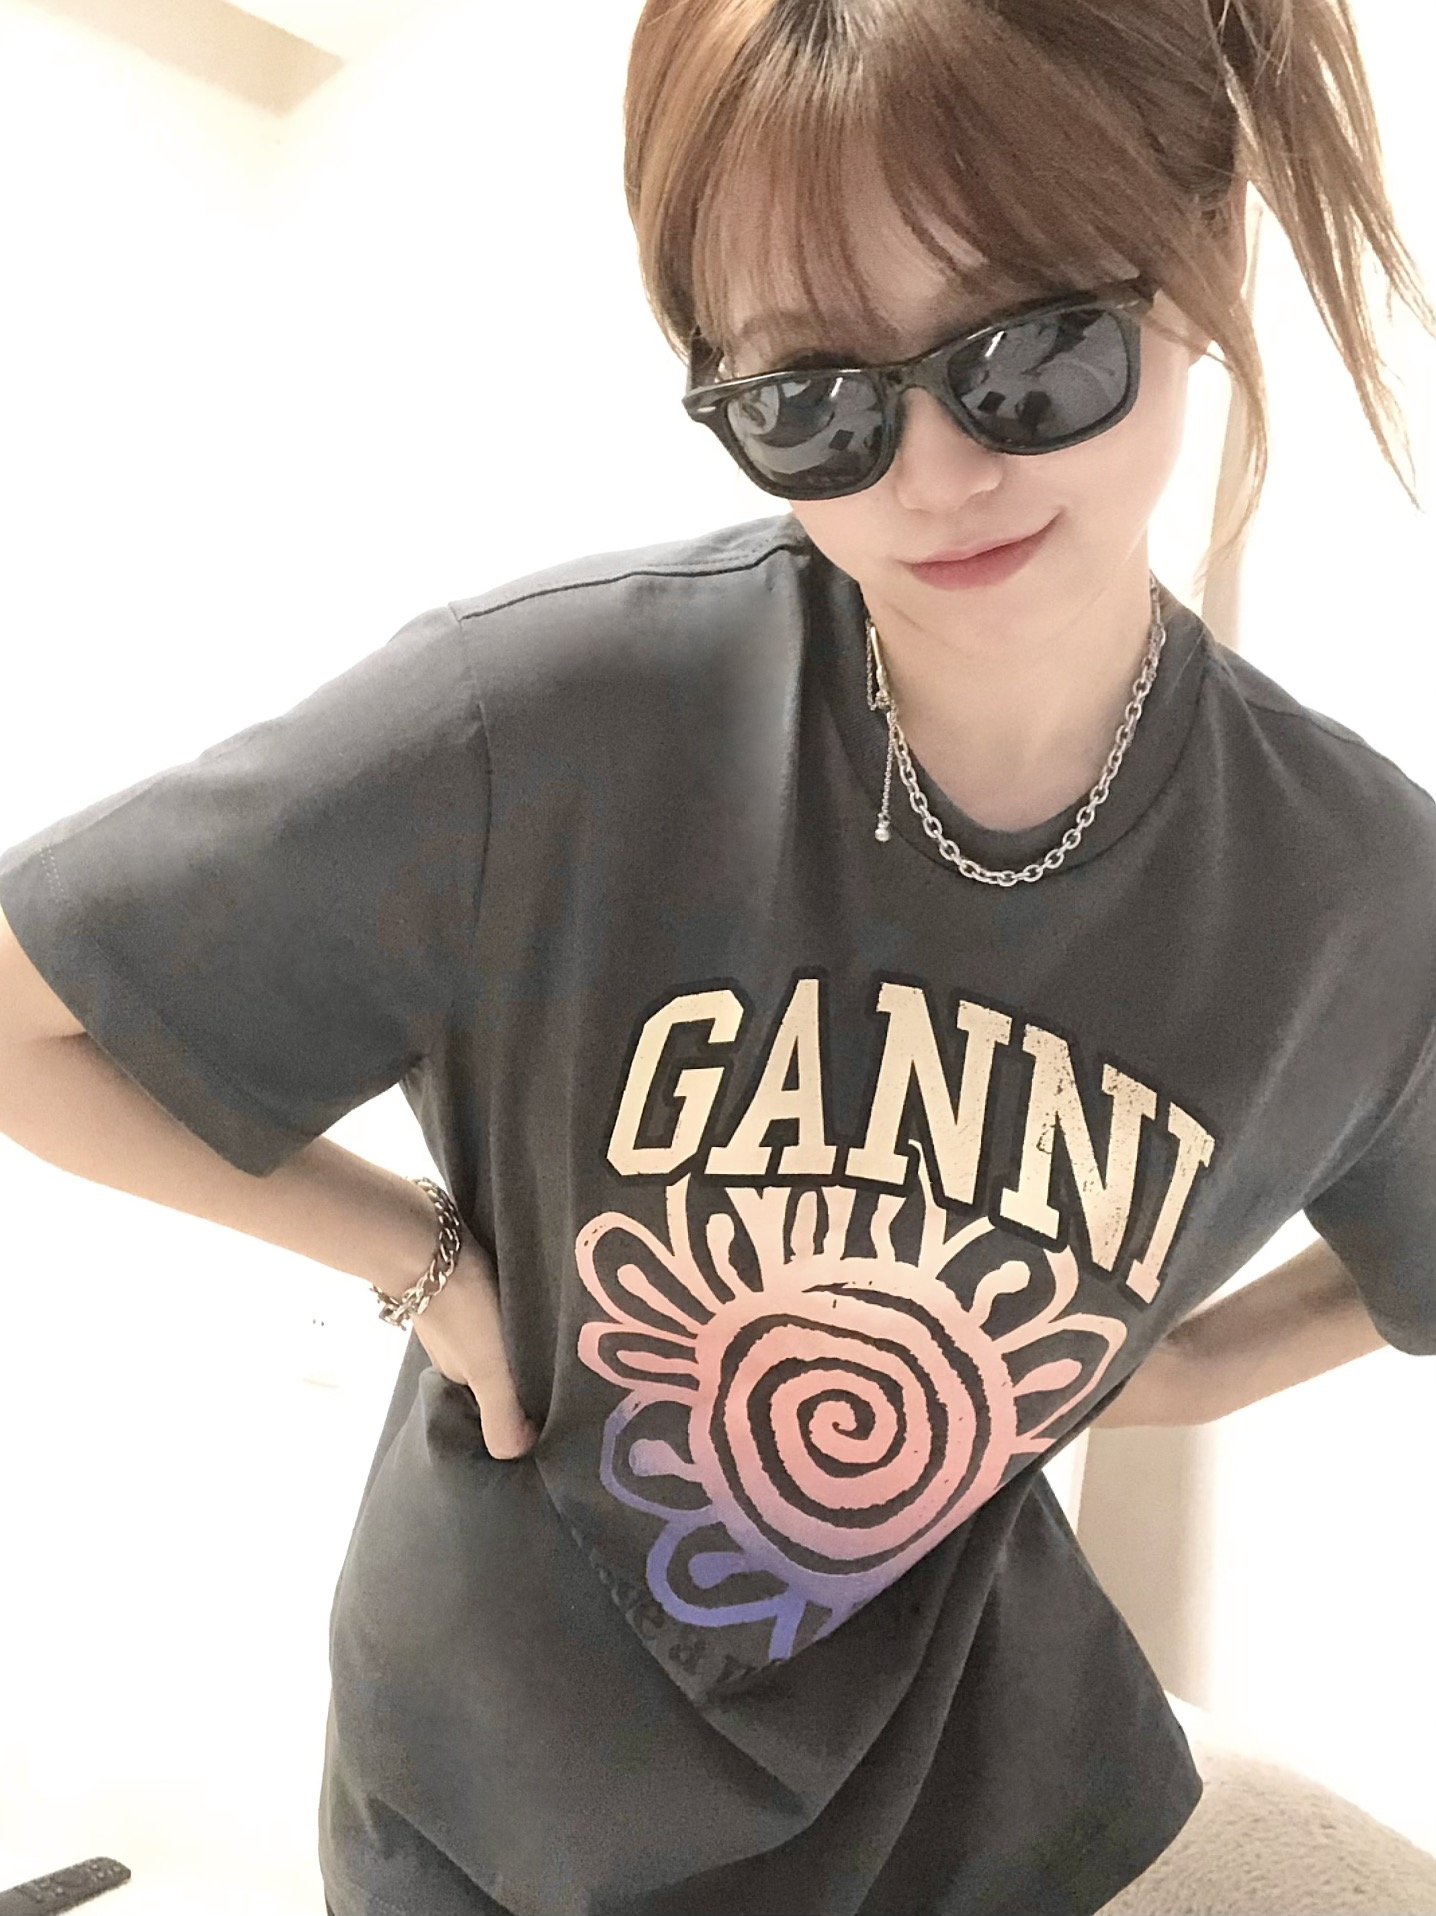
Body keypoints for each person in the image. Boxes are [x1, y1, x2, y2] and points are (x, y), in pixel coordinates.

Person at [1, 1, 1434, 1912]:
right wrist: (417, 1258)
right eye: (814, 404)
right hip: (483, 1792)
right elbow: (22, 1015)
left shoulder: (1355, 896)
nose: (933, 476)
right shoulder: (547, 723)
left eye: (1033, 355)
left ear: (1204, 256)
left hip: (952, 1809)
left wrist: (1152, 1369)